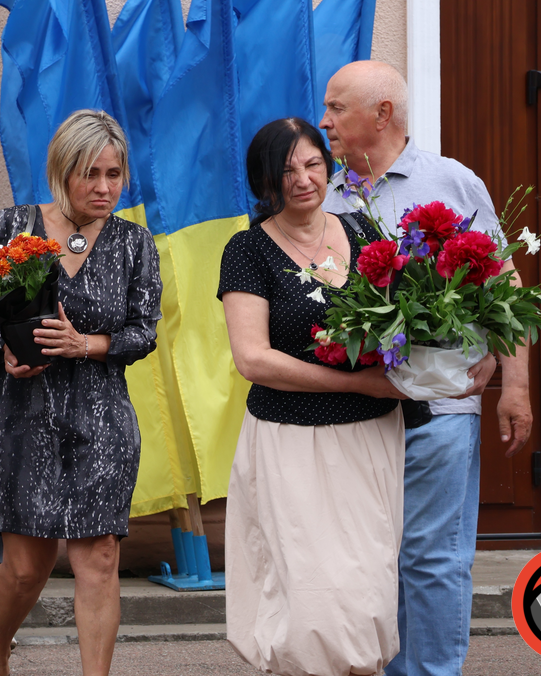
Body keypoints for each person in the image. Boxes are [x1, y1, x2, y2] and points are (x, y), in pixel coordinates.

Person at [319, 61, 533, 676]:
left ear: (382, 114)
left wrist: (514, 385)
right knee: (371, 558)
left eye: (337, 108)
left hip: (442, 406)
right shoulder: (325, 197)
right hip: (357, 414)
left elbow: (504, 285)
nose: (324, 121)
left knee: (431, 558)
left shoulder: (451, 182)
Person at [0, 110, 162, 676]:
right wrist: (1, 353)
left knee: (99, 559)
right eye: (90, 174)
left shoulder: (133, 243)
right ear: (62, 171)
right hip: (24, 413)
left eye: (114, 174)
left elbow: (144, 330)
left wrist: (87, 344)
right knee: (27, 568)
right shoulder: (15, 225)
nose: (104, 187)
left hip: (102, 416)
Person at [220, 117, 408, 676]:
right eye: (287, 170)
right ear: (264, 181)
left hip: (371, 438)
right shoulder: (247, 250)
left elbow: (403, 325)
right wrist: (355, 381)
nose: (303, 179)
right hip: (291, 444)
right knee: (312, 595)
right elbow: (253, 359)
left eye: (313, 164)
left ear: (330, 167)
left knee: (368, 587)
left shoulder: (366, 232)